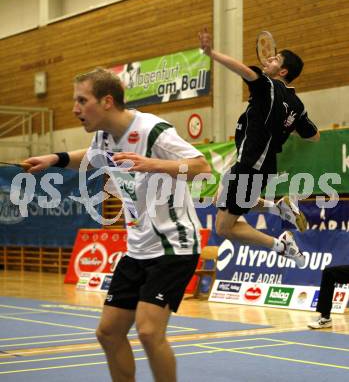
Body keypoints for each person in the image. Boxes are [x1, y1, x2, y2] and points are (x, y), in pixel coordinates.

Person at [24, 67, 211, 382]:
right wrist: (54, 159)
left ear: (107, 101)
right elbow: (91, 156)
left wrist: (153, 163)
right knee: (108, 333)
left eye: (82, 100)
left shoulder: (153, 129)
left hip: (173, 244)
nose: (75, 109)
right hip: (137, 247)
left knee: (149, 332)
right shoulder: (104, 136)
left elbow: (201, 166)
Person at [199, 28, 320, 267]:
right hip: (261, 165)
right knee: (217, 199)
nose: (269, 60)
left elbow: (242, 69)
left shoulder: (267, 87)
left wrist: (211, 53)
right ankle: (279, 208)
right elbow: (313, 136)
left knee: (223, 228)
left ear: (282, 71)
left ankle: (281, 245)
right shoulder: (297, 105)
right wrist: (286, 124)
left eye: (275, 59)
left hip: (251, 165)